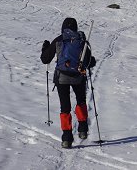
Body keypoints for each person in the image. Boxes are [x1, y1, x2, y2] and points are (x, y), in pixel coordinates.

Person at [41, 17, 96, 148]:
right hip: (78, 77)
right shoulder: (81, 41)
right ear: (76, 27)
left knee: (65, 107)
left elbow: (45, 59)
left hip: (62, 78)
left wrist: (45, 48)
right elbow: (89, 62)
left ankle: (66, 138)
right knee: (81, 101)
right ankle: (82, 130)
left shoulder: (59, 40)